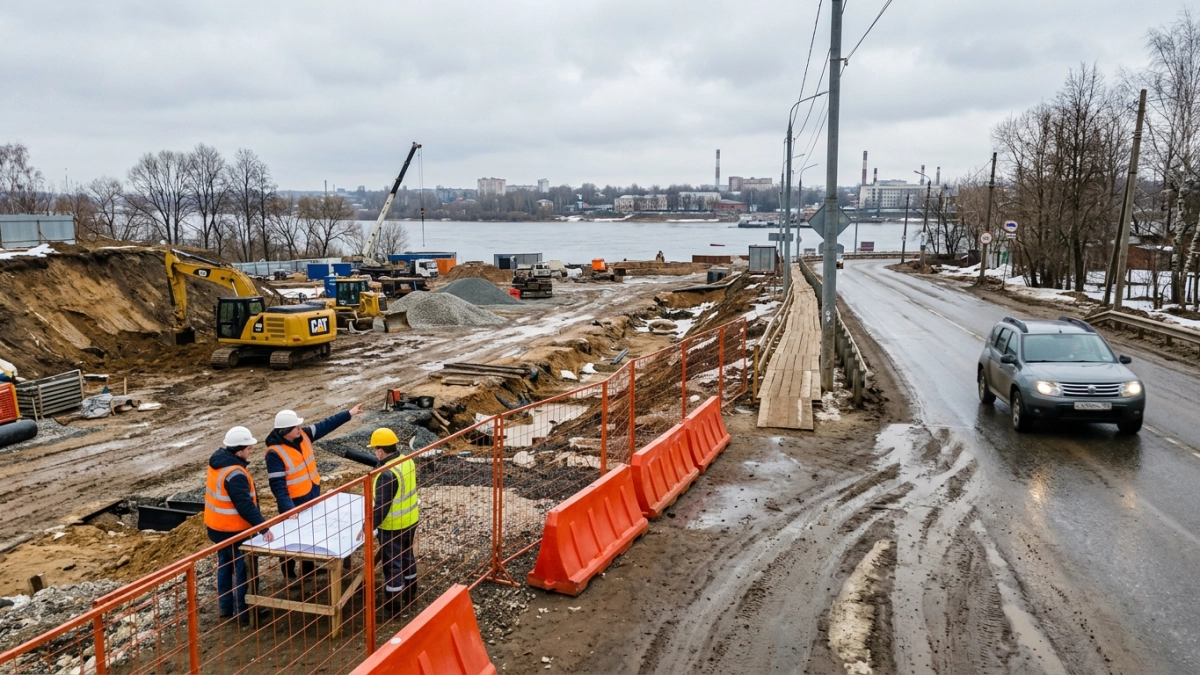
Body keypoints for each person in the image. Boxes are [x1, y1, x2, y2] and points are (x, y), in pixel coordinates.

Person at [265, 403, 363, 579]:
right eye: (295, 426)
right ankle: (288, 573)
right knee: (290, 537)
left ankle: (308, 569)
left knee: (309, 533)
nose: (299, 428)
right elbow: (277, 485)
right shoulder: (274, 453)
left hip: (311, 493)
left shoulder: (304, 435)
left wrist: (349, 413)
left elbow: (326, 424)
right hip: (293, 501)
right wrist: (288, 508)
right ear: (285, 431)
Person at [204, 426, 274, 625]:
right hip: (234, 531)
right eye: (249, 448)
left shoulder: (219, 462)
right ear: (239, 451)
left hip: (216, 528)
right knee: (243, 571)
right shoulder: (235, 474)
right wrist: (264, 527)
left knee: (225, 567)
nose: (251, 450)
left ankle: (226, 607)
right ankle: (244, 613)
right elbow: (245, 506)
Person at [365, 427, 419, 616]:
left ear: (380, 451)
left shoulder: (386, 474)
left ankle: (393, 607)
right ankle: (411, 594)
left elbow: (381, 507)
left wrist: (368, 527)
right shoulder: (406, 460)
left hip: (393, 526)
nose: (374, 453)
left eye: (375, 449)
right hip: (411, 520)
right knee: (407, 556)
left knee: (392, 565)